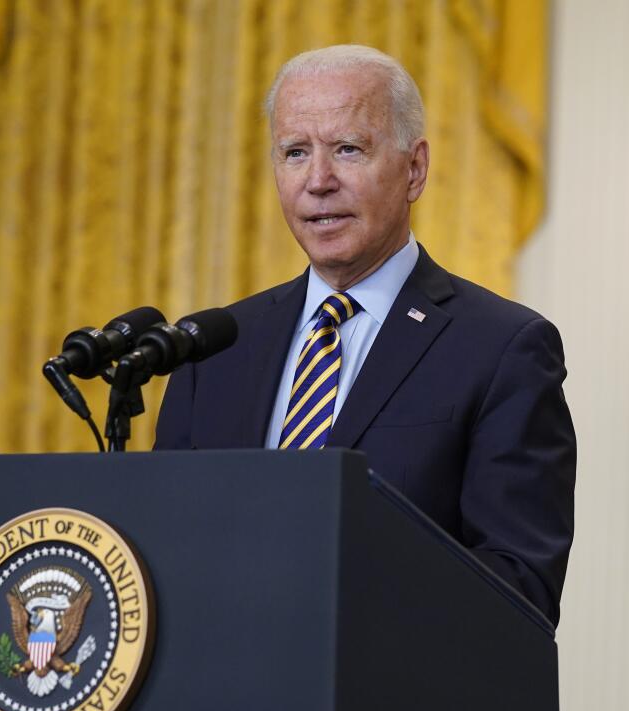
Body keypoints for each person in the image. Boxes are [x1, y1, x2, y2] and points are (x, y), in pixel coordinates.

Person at [154, 45, 576, 625]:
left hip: (388, 702)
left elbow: (519, 587)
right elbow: (161, 552)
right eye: (295, 152)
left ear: (415, 169)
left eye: (348, 149)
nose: (318, 181)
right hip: (221, 699)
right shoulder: (212, 349)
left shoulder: (503, 349)